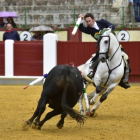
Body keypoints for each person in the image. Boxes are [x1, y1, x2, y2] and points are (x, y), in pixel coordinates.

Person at [78, 13, 130, 88]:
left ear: (93, 20)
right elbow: (81, 28)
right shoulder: (89, 29)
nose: (89, 23)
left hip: (114, 46)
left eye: (90, 21)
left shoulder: (102, 22)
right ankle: (91, 72)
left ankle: (124, 79)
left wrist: (108, 29)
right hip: (103, 48)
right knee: (95, 58)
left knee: (126, 58)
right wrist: (81, 20)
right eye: (87, 22)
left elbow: (112, 26)